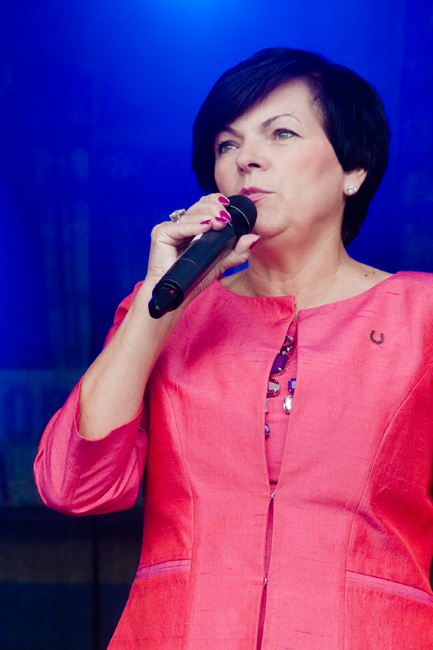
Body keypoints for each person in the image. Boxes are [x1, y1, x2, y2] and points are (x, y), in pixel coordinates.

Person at [34, 48, 433, 649]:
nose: (246, 157)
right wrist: (157, 303)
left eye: (281, 133)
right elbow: (75, 486)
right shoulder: (163, 312)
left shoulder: (421, 316)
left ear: (353, 169)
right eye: (227, 144)